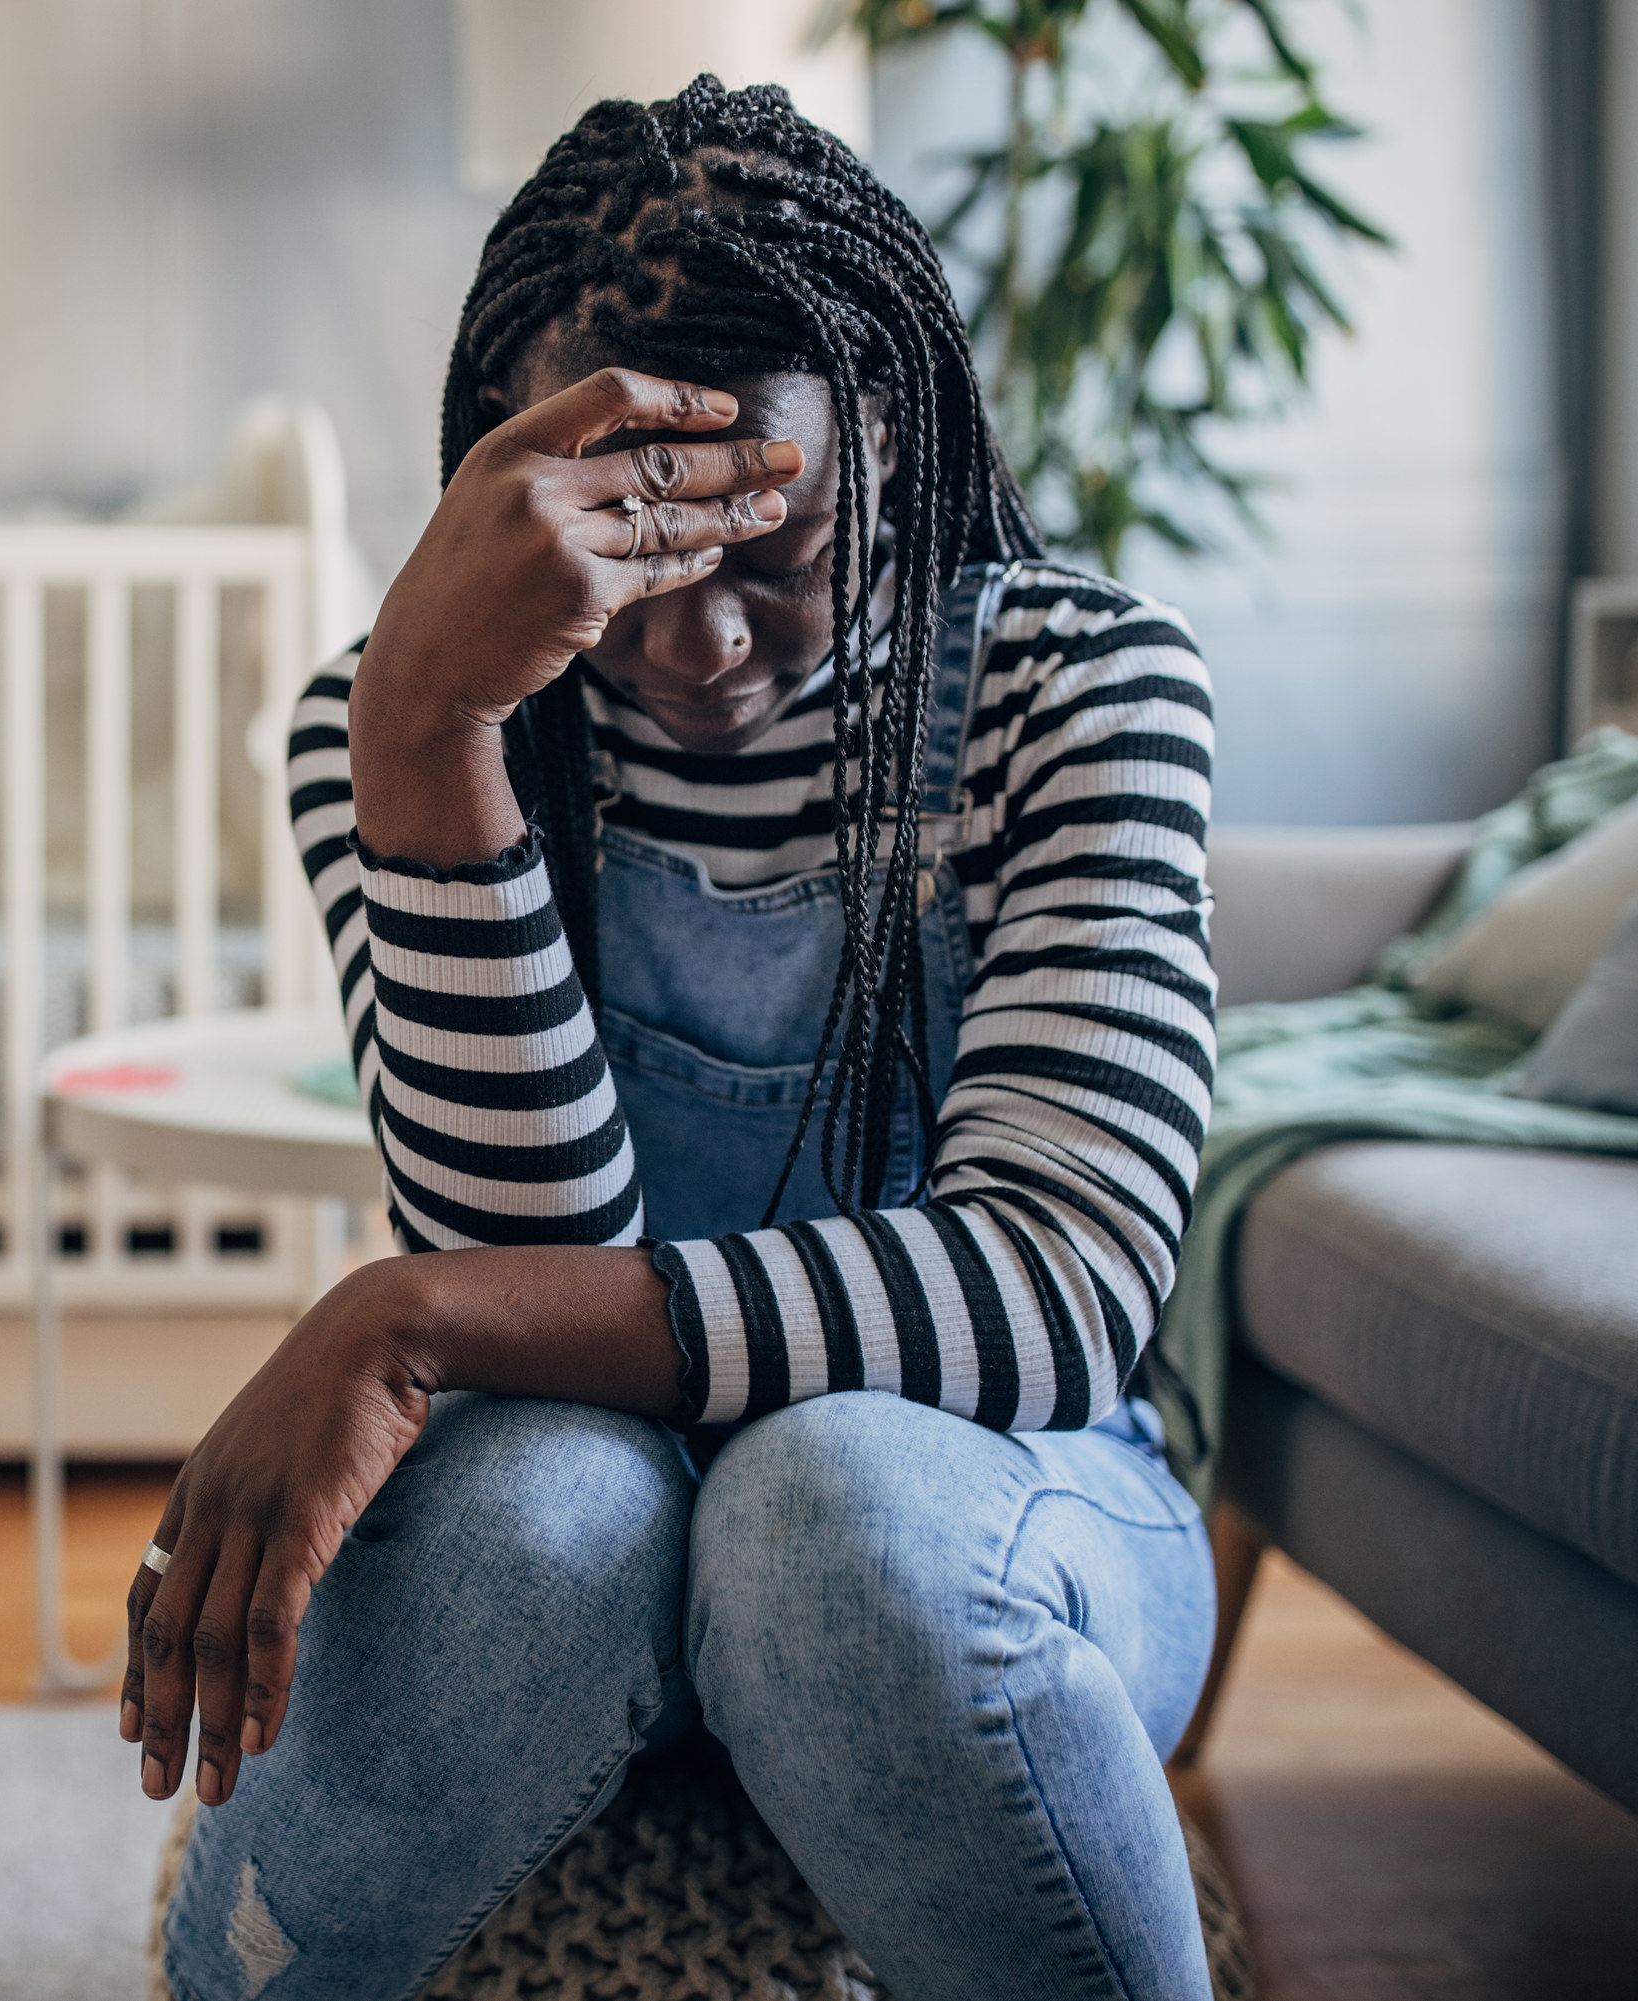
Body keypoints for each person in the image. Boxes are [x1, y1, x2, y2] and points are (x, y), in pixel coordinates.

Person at [137, 79, 1220, 2001]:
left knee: (828, 1507)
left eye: (772, 550)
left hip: (1002, 1517)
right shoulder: (383, 725)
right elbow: (528, 1243)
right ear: (502, 480)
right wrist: (432, 738)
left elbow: (1052, 1296)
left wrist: (408, 1314)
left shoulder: (1080, 688)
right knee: (541, 1503)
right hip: (581, 1538)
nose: (700, 639)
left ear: (897, 448)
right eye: (636, 547)